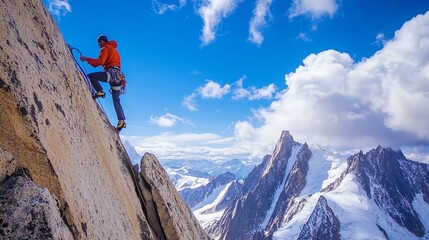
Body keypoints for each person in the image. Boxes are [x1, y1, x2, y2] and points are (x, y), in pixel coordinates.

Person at [80, 35, 126, 131]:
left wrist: (87, 59)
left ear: (101, 41)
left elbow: (99, 62)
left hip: (111, 74)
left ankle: (100, 91)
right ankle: (121, 121)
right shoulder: (114, 50)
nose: (98, 45)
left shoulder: (105, 48)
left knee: (91, 76)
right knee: (116, 100)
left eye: (98, 43)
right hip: (118, 78)